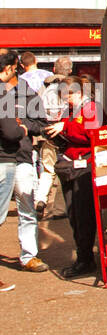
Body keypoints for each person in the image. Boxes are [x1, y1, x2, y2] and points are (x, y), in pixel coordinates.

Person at [0, 50, 50, 275]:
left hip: (21, 158)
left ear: (13, 68)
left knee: (27, 208)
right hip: (2, 160)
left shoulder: (28, 94)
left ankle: (29, 256)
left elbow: (42, 124)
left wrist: (24, 127)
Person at [45, 79, 99, 280]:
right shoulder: (73, 110)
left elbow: (92, 134)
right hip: (71, 164)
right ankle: (83, 257)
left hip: (84, 166)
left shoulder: (92, 108)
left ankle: (85, 259)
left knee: (83, 214)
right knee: (74, 214)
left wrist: (65, 128)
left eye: (66, 96)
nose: (65, 101)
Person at [35, 56, 74, 218]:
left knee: (47, 170)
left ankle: (40, 199)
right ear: (70, 71)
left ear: (53, 69)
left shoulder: (43, 89)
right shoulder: (73, 88)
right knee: (66, 172)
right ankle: (59, 209)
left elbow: (37, 113)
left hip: (47, 135)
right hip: (66, 136)